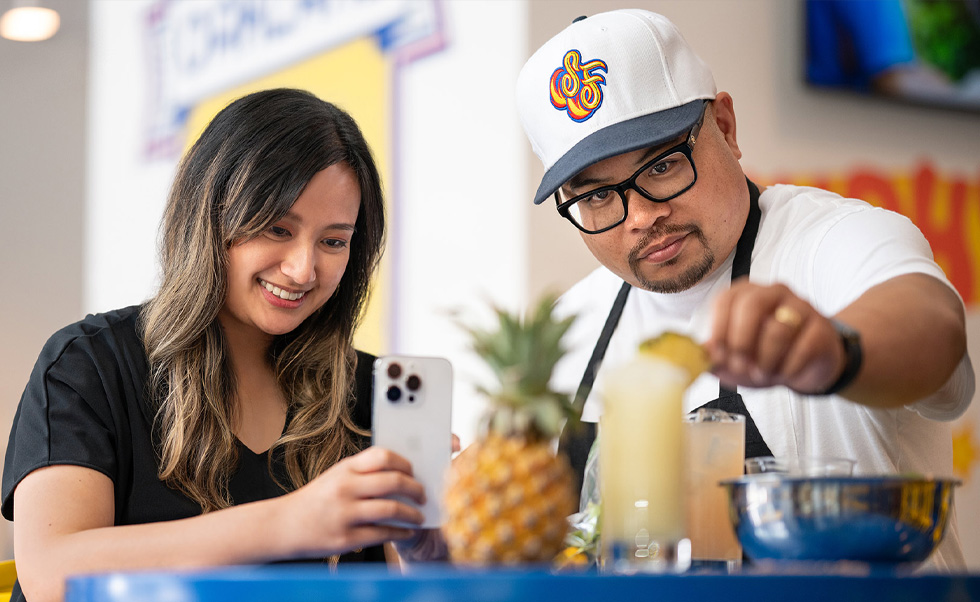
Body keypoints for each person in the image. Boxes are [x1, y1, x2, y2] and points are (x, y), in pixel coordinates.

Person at [515, 9, 974, 570]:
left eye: (661, 165)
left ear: (726, 128)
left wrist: (835, 351)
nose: (639, 217)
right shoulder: (572, 325)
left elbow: (933, 331)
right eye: (597, 197)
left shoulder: (831, 240)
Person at [1, 88, 441, 602]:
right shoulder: (90, 364)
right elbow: (52, 574)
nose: (303, 269)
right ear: (208, 216)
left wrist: (434, 549)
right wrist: (291, 522)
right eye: (278, 228)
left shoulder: (385, 394)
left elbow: (427, 590)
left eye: (334, 241)